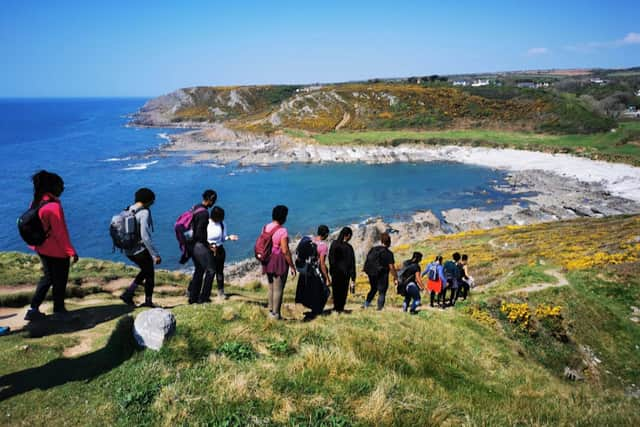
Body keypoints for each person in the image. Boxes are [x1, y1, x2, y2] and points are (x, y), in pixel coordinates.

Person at [24, 170, 79, 322]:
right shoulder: (54, 207)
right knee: (60, 281)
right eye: (61, 185)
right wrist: (71, 252)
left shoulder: (36, 202)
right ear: (52, 187)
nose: (63, 188)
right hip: (56, 251)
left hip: (41, 248)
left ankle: (33, 309)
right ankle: (59, 310)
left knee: (47, 278)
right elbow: (61, 233)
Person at [119, 188, 161, 307]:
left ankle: (129, 293)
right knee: (150, 274)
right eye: (152, 200)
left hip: (128, 250)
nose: (153, 203)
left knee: (145, 270)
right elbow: (145, 236)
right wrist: (155, 254)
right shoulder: (144, 213)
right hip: (139, 250)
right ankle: (148, 301)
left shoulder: (127, 209)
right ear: (148, 200)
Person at [262, 205, 296, 320]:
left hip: (268, 259)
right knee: (278, 289)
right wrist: (292, 266)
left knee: (271, 287)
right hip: (278, 260)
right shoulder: (282, 231)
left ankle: (271, 311)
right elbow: (285, 251)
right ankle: (276, 315)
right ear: (283, 217)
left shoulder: (266, 227)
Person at [188, 189, 217, 304]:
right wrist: (208, 245)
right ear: (211, 199)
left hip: (191, 243)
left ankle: (193, 297)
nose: (214, 202)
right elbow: (200, 233)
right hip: (199, 245)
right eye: (214, 200)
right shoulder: (204, 213)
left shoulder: (195, 207)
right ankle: (204, 297)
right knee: (211, 270)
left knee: (199, 270)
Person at [204, 206, 238, 301]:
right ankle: (205, 294)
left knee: (219, 272)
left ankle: (221, 293)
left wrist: (229, 237)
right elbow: (202, 238)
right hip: (209, 250)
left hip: (219, 250)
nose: (222, 219)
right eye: (221, 217)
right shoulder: (206, 223)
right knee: (210, 273)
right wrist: (209, 246)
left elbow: (223, 238)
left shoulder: (222, 224)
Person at [363, 232, 398, 311]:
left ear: (381, 241)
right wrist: (395, 278)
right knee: (382, 292)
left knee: (373, 289)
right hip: (382, 274)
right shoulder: (389, 253)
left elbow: (368, 260)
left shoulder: (373, 249)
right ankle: (379, 309)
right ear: (389, 242)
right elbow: (391, 267)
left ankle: (366, 304)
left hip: (371, 273)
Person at [329, 226, 356, 313]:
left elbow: (330, 258)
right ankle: (340, 308)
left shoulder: (334, 244)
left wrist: (331, 270)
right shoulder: (349, 247)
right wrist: (353, 277)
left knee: (336, 291)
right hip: (345, 273)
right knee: (343, 292)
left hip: (335, 272)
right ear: (347, 236)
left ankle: (336, 308)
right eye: (350, 236)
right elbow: (352, 263)